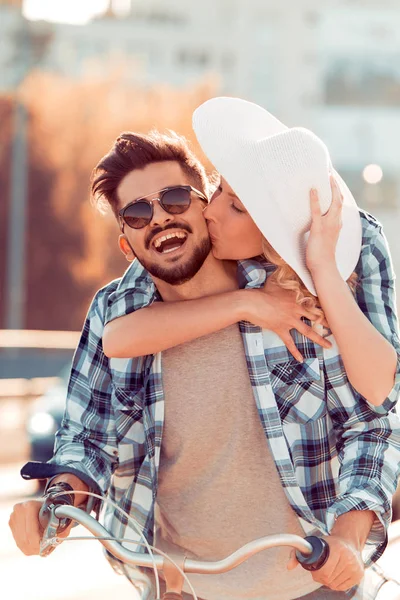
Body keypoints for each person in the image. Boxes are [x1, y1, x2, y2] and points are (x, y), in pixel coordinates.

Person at [9, 103, 400, 600]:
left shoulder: (295, 297)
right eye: (137, 212)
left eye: (175, 198)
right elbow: (87, 436)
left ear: (203, 203)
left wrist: (348, 535)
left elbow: (372, 420)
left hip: (313, 583)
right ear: (126, 245)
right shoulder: (119, 310)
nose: (159, 218)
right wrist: (57, 501)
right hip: (180, 588)